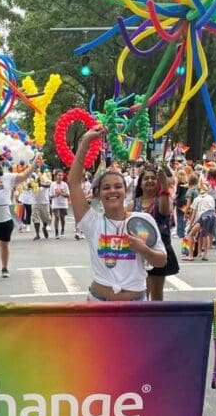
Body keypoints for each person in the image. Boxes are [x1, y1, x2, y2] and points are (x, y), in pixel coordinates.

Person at [68, 126, 167, 301]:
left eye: (117, 186)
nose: (112, 191)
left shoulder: (141, 221)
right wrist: (85, 143)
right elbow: (74, 182)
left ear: (125, 190)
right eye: (106, 187)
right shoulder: (91, 221)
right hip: (99, 303)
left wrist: (143, 250)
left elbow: (161, 261)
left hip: (135, 307)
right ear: (98, 193)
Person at [0, 153, 39, 281]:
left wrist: (34, 164)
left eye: (0, 164)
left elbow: (24, 176)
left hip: (6, 217)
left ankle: (5, 267)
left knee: (4, 244)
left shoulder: (7, 177)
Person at [133, 166, 179, 300]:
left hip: (158, 250)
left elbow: (164, 211)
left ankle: (156, 320)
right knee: (141, 292)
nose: (150, 181)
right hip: (138, 251)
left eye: (153, 178)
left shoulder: (163, 200)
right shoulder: (133, 204)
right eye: (146, 178)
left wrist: (165, 186)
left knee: (157, 294)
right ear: (140, 183)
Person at [49, 170, 71, 239]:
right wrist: (56, 195)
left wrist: (61, 193)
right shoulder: (53, 184)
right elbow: (50, 196)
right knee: (57, 217)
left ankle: (62, 230)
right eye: (58, 175)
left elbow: (68, 195)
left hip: (63, 204)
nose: (60, 177)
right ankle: (56, 232)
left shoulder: (65, 184)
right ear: (55, 176)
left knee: (62, 218)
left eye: (61, 175)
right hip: (55, 204)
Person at [31, 174, 52, 240]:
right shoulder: (32, 180)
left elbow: (49, 185)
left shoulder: (46, 178)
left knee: (47, 218)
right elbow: (28, 185)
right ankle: (37, 234)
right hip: (35, 203)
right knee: (35, 218)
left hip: (45, 203)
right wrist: (34, 184)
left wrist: (41, 184)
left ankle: (44, 227)